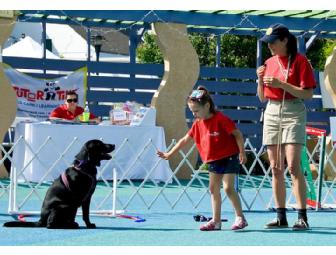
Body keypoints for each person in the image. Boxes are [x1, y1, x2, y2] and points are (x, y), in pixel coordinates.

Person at [157, 86, 248, 231]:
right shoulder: (197, 123)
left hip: (229, 157)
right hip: (213, 160)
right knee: (213, 189)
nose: (194, 114)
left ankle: (240, 217)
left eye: (196, 111)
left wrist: (242, 152)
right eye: (192, 111)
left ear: (207, 106)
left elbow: (237, 134)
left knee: (228, 187)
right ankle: (216, 221)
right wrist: (170, 154)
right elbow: (184, 140)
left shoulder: (221, 119)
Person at [256, 23, 316, 230]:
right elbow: (262, 97)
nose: (270, 46)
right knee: (275, 167)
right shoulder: (269, 62)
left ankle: (302, 216)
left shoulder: (300, 61)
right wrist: (259, 79)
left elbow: (307, 94)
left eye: (273, 42)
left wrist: (282, 85)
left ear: (284, 40)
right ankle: (281, 216)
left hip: (293, 111)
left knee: (293, 166)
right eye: (268, 43)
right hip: (272, 111)